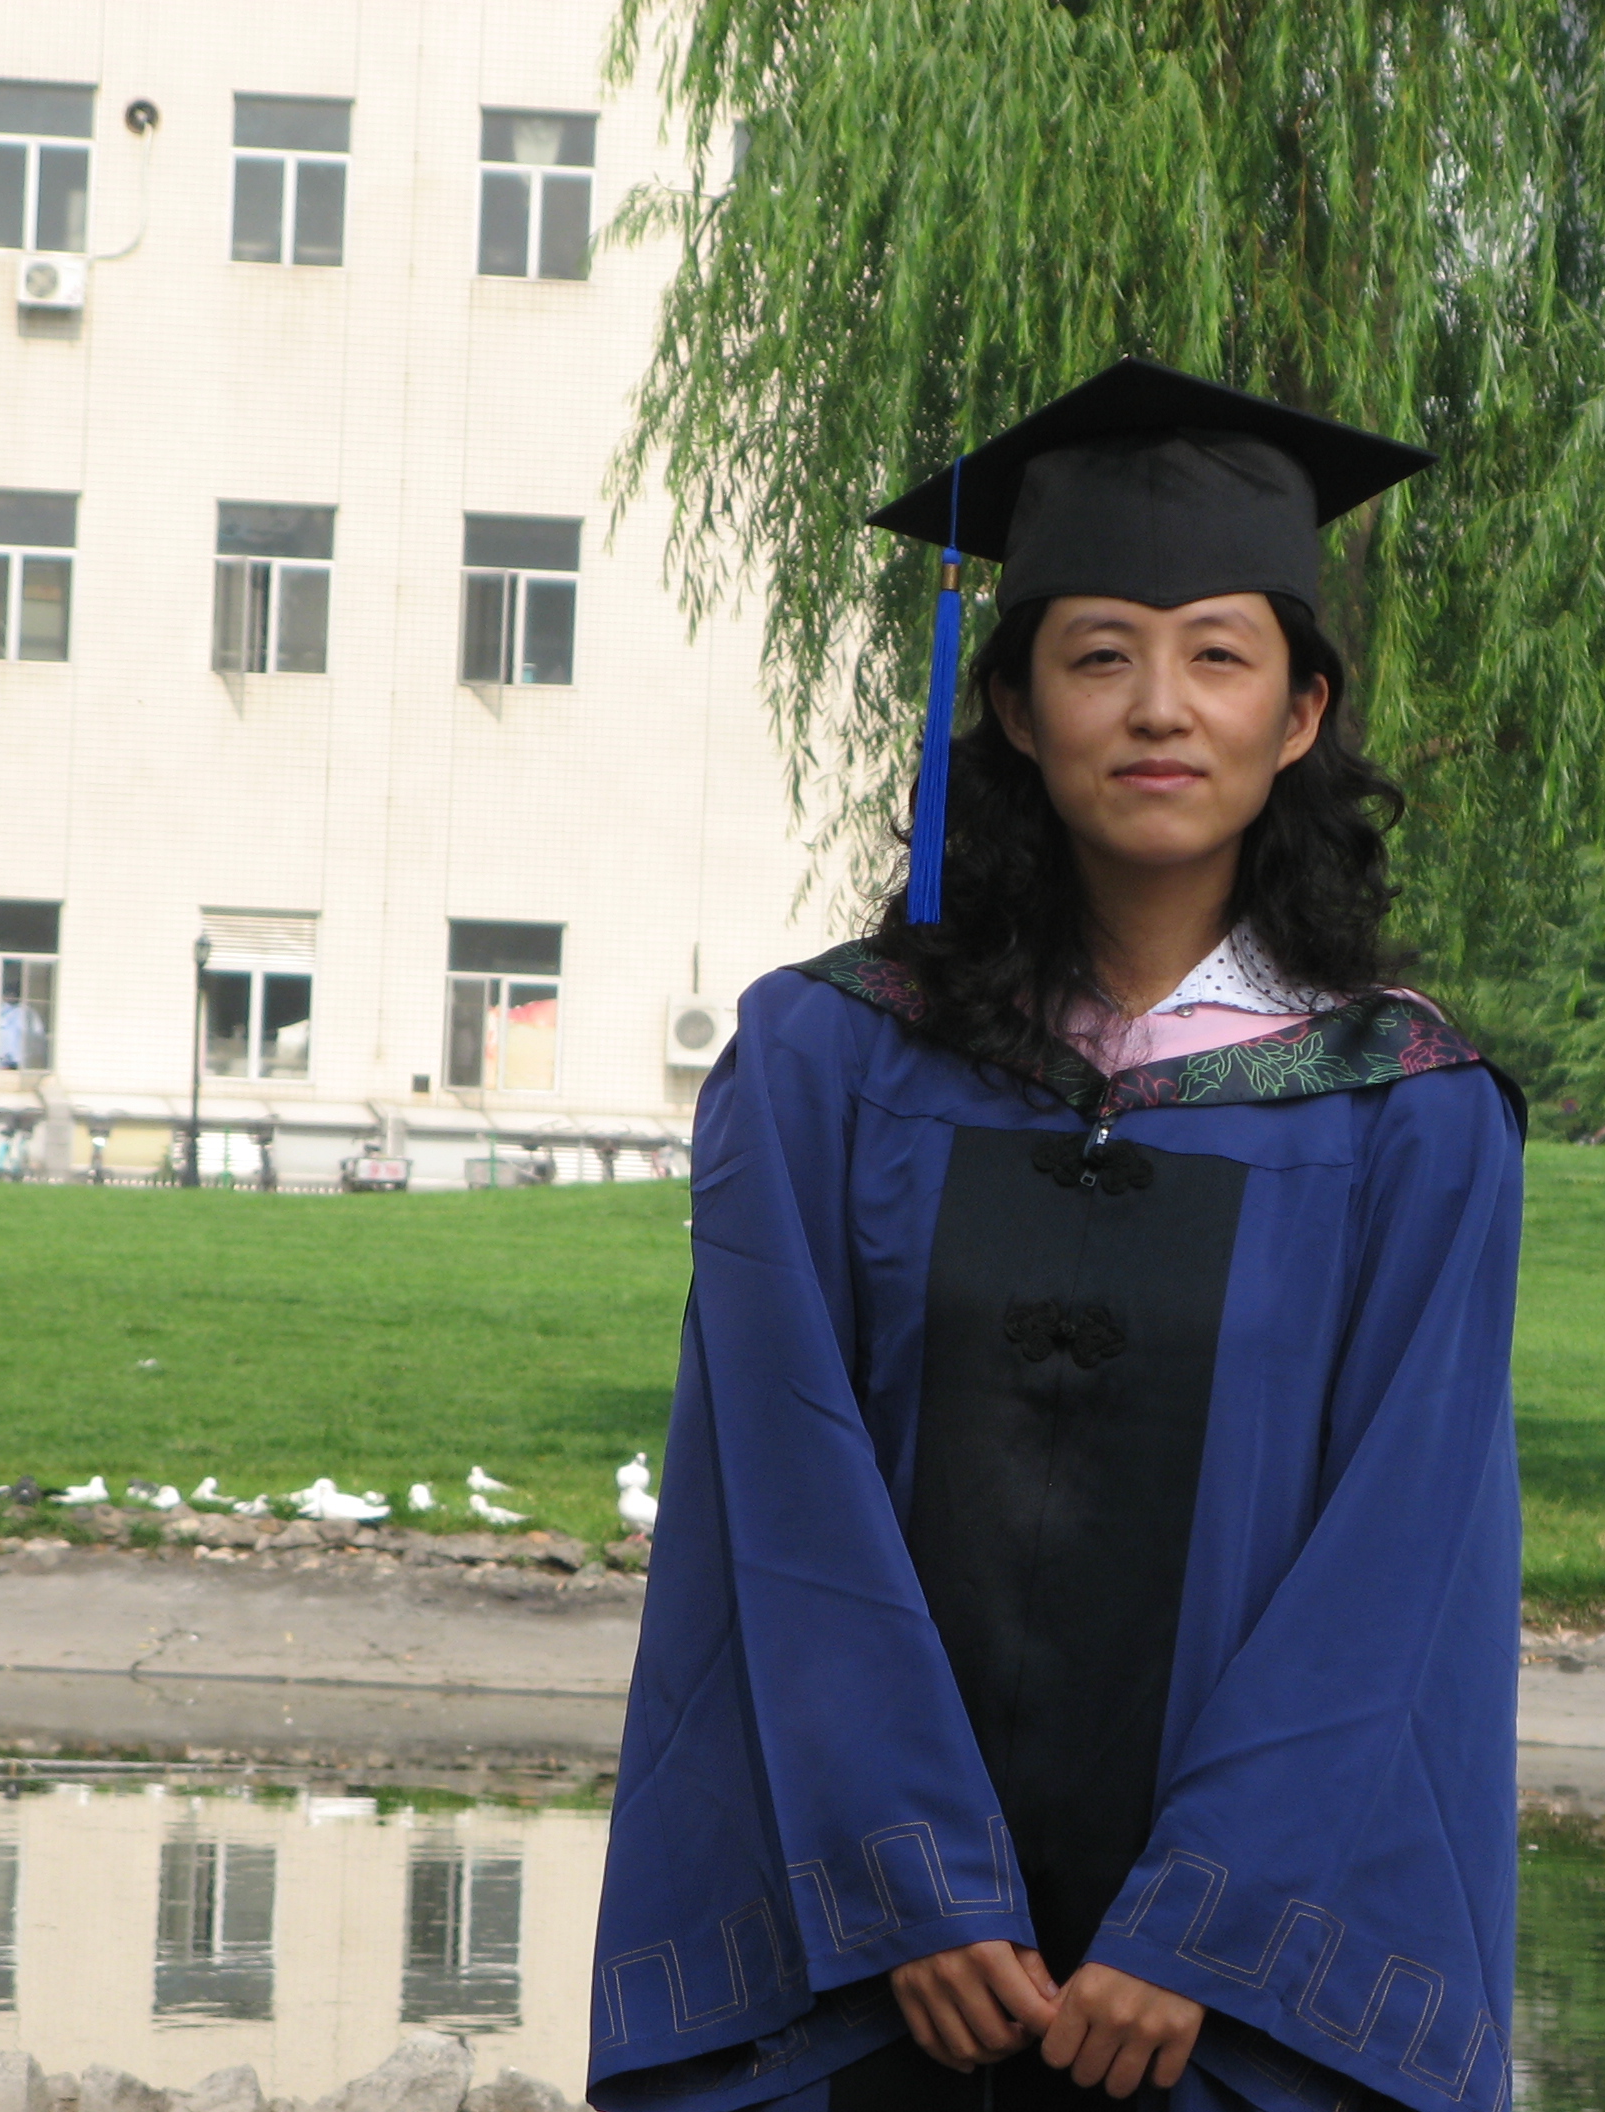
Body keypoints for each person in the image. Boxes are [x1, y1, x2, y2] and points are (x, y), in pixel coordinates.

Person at [588, 359, 1528, 2112]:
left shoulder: (1405, 1112)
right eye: (1099, 655)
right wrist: (910, 1885)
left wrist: (1205, 1924)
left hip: (1223, 2010)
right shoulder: (823, 1067)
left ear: (1301, 714)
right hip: (876, 1982)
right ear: (1015, 707)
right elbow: (779, 1496)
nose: (1159, 708)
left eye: (1219, 656)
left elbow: (1398, 1563)